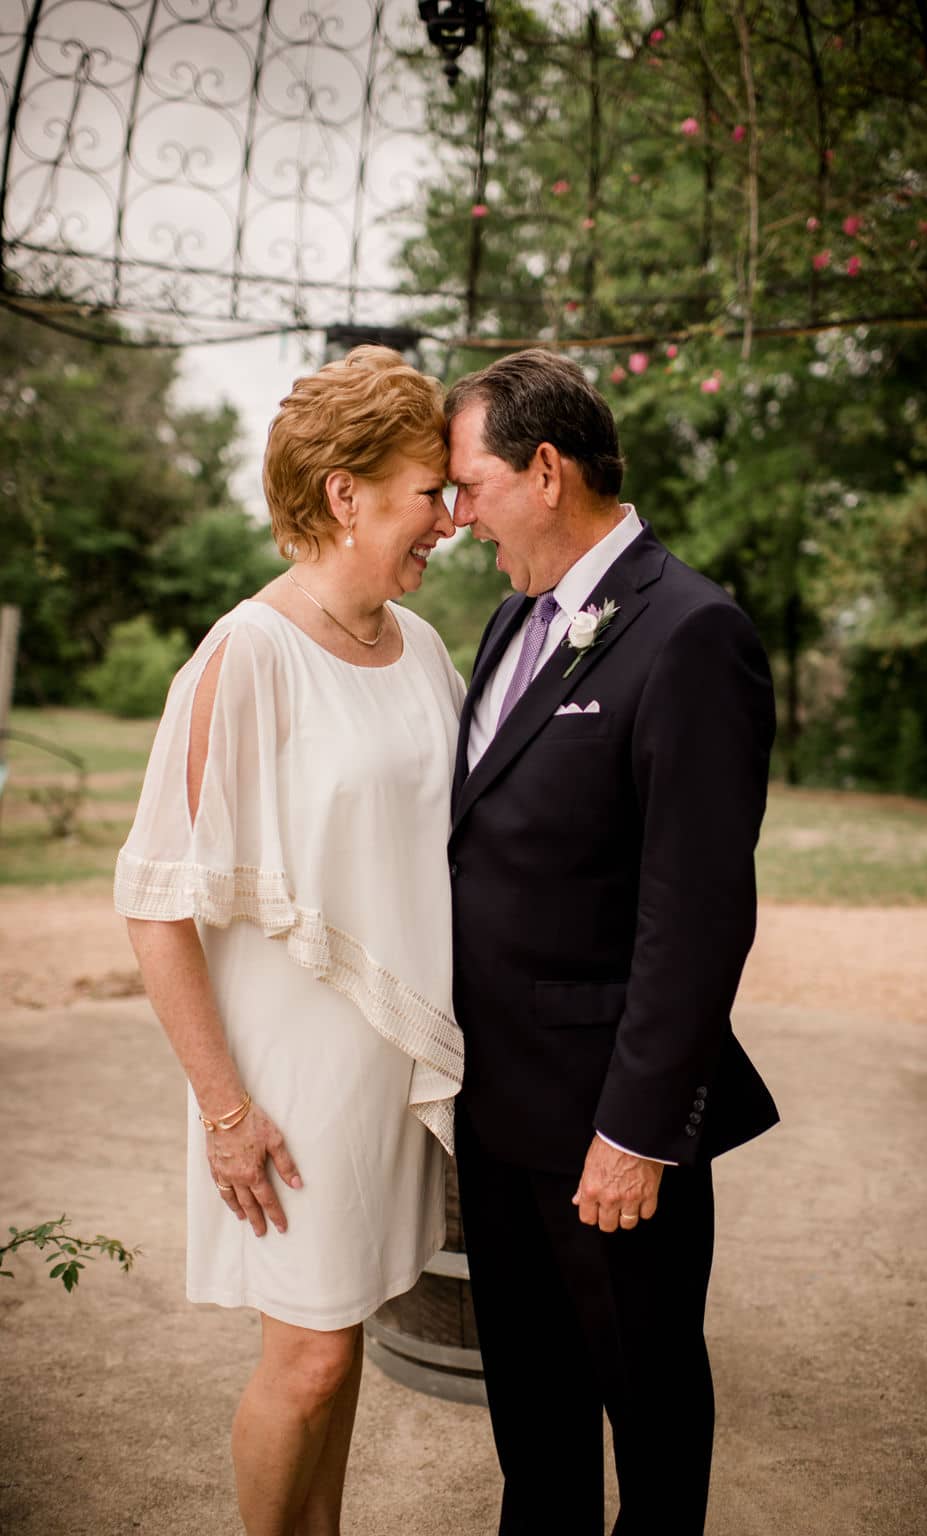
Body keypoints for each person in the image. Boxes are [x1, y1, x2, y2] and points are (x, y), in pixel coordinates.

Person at [114, 346, 464, 1536]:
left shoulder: (420, 651)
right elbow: (157, 905)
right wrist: (225, 1110)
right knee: (305, 1362)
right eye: (431, 492)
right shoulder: (242, 657)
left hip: (380, 1069)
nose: (451, 521)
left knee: (342, 1329)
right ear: (345, 493)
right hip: (285, 1085)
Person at [445, 349, 779, 1536]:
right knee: (531, 1422)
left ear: (545, 470)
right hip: (494, 1115)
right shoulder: (506, 619)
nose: (455, 516)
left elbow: (694, 914)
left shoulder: (691, 631)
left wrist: (634, 1132)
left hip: (606, 1132)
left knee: (645, 1405)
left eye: (469, 486)